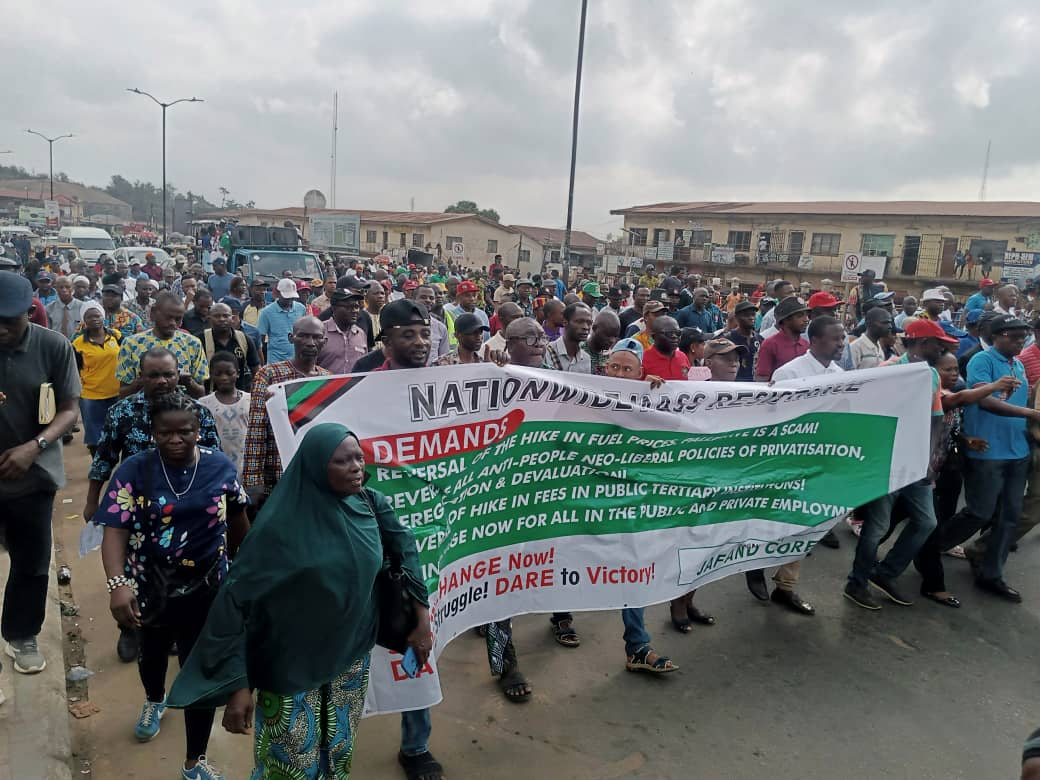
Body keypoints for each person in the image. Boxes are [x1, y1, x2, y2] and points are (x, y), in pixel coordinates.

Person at [168, 422, 429, 779]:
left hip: (349, 659)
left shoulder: (369, 503)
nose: (356, 467)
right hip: (288, 667)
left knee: (338, 752)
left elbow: (405, 548)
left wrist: (422, 619)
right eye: (342, 461)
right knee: (289, 764)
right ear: (316, 466)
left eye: (358, 458)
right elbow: (236, 604)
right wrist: (239, 685)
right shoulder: (279, 528)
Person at [95, 391, 249, 780]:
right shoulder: (134, 470)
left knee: (200, 670)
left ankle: (194, 761)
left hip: (208, 585)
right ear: (153, 432)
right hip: (151, 585)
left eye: (186, 431)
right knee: (153, 653)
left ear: (199, 431)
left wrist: (244, 573)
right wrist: (118, 583)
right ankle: (154, 699)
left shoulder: (219, 468)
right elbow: (114, 528)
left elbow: (238, 521)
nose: (176, 439)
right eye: (166, 433)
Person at [0, 273, 81, 689]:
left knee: (31, 564)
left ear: (28, 314)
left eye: (8, 321)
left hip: (33, 478)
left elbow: (69, 408)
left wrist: (36, 445)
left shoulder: (53, 346)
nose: (0, 329)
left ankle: (22, 635)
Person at [843, 319, 954, 610]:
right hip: (887, 460)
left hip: (916, 463)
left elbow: (937, 419)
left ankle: (886, 572)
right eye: (937, 343)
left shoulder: (931, 375)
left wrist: (928, 458)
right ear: (921, 342)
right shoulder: (888, 372)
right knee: (877, 526)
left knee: (926, 522)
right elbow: (866, 413)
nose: (942, 348)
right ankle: (857, 582)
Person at [935, 315, 1038, 601]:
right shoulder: (982, 361)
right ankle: (931, 545)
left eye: (1022, 337)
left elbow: (1023, 402)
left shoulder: (1017, 365)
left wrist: (1030, 427)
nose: (1020, 342)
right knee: (979, 511)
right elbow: (984, 401)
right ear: (997, 336)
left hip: (1017, 450)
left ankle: (991, 573)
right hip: (987, 450)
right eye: (1014, 336)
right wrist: (1029, 414)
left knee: (1009, 516)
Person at [243, 317, 331, 504]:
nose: (310, 343)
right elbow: (256, 429)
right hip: (277, 473)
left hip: (317, 474)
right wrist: (252, 481)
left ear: (325, 341)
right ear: (292, 338)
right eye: (303, 336)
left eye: (316, 337)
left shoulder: (328, 379)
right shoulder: (269, 375)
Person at [116, 292, 208, 399]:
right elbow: (122, 393)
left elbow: (201, 393)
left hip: (181, 412)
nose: (173, 323)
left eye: (178, 319)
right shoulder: (131, 344)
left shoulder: (193, 343)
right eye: (168, 317)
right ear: (153, 313)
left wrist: (188, 382)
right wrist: (142, 382)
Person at [72, 302, 122, 456]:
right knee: (95, 437)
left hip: (117, 393)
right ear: (84, 320)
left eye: (97, 315)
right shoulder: (77, 344)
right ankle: (97, 467)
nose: (94, 319)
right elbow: (74, 370)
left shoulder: (116, 336)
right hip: (91, 396)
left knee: (118, 433)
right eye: (89, 317)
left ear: (103, 317)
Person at [198, 352, 251, 476]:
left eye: (229, 373)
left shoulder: (250, 401)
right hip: (215, 464)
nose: (224, 378)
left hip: (245, 463)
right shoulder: (204, 404)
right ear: (211, 375)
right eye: (218, 374)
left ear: (237, 373)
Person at [754, 297, 809, 382]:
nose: (806, 320)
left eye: (807, 315)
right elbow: (761, 379)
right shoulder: (770, 344)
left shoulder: (806, 345)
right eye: (800, 316)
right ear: (786, 320)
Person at [544, 303, 593, 373]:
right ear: (565, 322)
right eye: (579, 322)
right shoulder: (547, 352)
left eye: (589, 323)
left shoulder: (586, 359)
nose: (586, 327)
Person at [724, 301, 761, 381]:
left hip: (756, 386)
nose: (751, 318)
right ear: (737, 317)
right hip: (734, 386)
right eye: (746, 315)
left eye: (753, 314)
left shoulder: (760, 340)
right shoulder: (728, 339)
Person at [45, 276, 85, 340]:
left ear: (72, 288)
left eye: (67, 287)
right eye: (61, 287)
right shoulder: (49, 308)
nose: (64, 290)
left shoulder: (82, 307)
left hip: (77, 344)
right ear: (56, 288)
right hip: (56, 344)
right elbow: (47, 331)